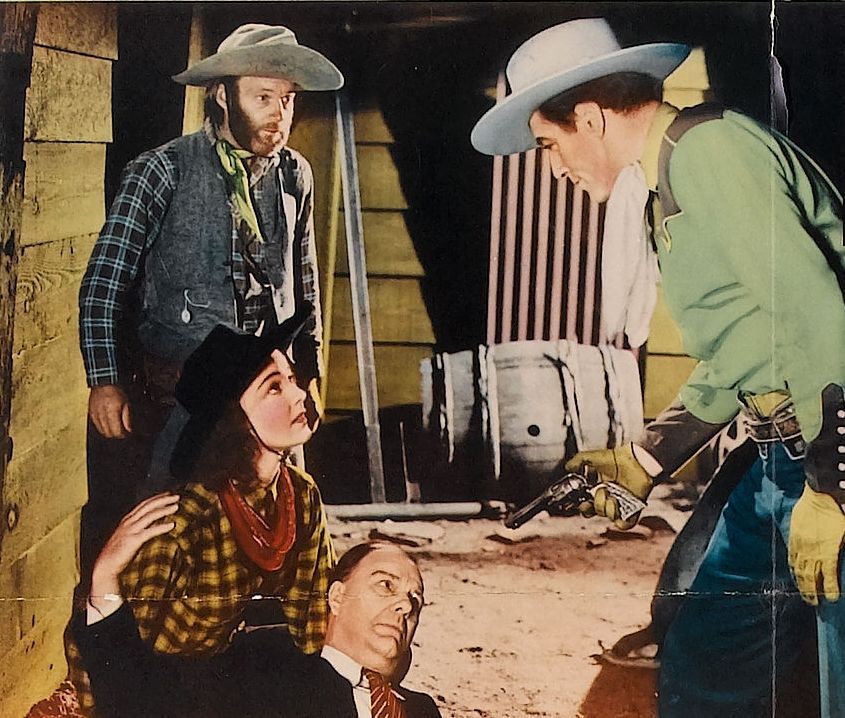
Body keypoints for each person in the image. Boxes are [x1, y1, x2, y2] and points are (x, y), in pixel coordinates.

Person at [471, 18, 845, 718]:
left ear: (588, 116)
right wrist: (642, 457)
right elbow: (749, 344)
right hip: (775, 459)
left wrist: (833, 488)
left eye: (550, 145)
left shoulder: (708, 151)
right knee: (705, 644)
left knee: (833, 673)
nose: (553, 168)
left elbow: (820, 315)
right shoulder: (672, 174)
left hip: (827, 451)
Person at [77, 23, 343, 581]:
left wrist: (310, 370)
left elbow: (306, 284)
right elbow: (103, 284)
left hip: (267, 402)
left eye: (287, 100)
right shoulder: (162, 170)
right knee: (165, 541)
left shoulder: (295, 175)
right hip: (182, 398)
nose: (279, 113)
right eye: (263, 97)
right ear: (222, 94)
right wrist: (104, 380)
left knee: (276, 543)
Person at [67, 304, 335, 710]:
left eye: (293, 379)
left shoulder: (301, 496)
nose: (300, 394)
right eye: (274, 387)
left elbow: (313, 624)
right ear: (236, 420)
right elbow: (107, 664)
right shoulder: (182, 522)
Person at [73, 520, 441, 718]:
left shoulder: (421, 710)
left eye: (415, 600)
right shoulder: (267, 667)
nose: (405, 607)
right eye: (386, 586)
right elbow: (146, 701)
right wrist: (105, 580)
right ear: (337, 596)